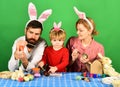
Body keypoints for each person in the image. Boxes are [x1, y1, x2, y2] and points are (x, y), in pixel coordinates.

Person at [8, 2, 52, 72]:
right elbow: (11, 69)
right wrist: (15, 57)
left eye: (37, 34)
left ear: (40, 34)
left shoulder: (42, 43)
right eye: (31, 32)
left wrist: (24, 60)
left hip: (37, 76)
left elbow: (34, 68)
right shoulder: (18, 41)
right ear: (25, 30)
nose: (33, 36)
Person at [66, 7, 104, 74]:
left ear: (89, 31)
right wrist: (72, 59)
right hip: (71, 79)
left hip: (89, 80)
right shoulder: (72, 41)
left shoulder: (99, 48)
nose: (77, 32)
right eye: (77, 29)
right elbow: (65, 65)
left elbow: (98, 72)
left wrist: (87, 63)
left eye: (81, 30)